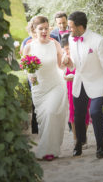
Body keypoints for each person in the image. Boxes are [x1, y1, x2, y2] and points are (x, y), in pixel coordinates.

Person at [63, 11, 103, 159]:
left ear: (80, 27)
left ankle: (101, 146)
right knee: (79, 117)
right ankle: (78, 143)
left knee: (94, 112)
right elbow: (75, 65)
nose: (69, 30)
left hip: (97, 82)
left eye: (71, 27)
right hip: (79, 83)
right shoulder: (72, 40)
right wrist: (69, 63)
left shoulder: (99, 41)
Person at [23, 15, 68, 161]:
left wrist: (67, 60)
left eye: (46, 28)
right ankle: (51, 150)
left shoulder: (54, 44)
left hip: (56, 85)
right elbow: (26, 67)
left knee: (51, 113)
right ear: (34, 30)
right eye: (40, 29)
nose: (44, 31)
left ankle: (46, 151)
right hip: (39, 89)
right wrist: (31, 75)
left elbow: (61, 64)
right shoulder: (29, 46)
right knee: (43, 121)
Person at [61, 34, 91, 146]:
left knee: (86, 111)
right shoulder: (65, 57)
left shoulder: (81, 55)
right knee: (73, 111)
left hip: (85, 86)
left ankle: (83, 137)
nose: (69, 50)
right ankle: (75, 138)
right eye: (66, 48)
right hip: (71, 87)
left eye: (70, 48)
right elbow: (62, 73)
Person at [20, 18, 38, 134]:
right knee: (35, 98)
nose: (34, 34)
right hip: (32, 74)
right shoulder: (26, 42)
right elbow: (23, 59)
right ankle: (35, 127)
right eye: (32, 31)